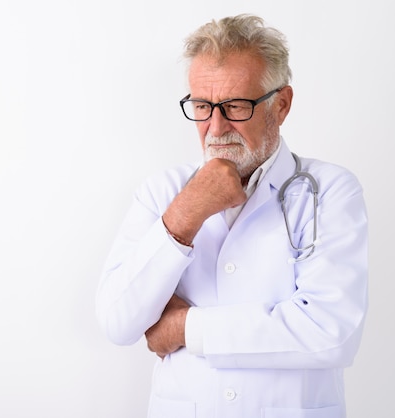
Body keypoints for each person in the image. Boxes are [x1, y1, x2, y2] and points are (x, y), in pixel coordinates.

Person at [95, 14, 368, 418]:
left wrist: (184, 327)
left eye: (235, 106)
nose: (215, 127)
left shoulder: (330, 190)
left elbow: (329, 332)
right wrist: (187, 214)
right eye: (202, 106)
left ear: (281, 105)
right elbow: (118, 322)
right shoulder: (162, 192)